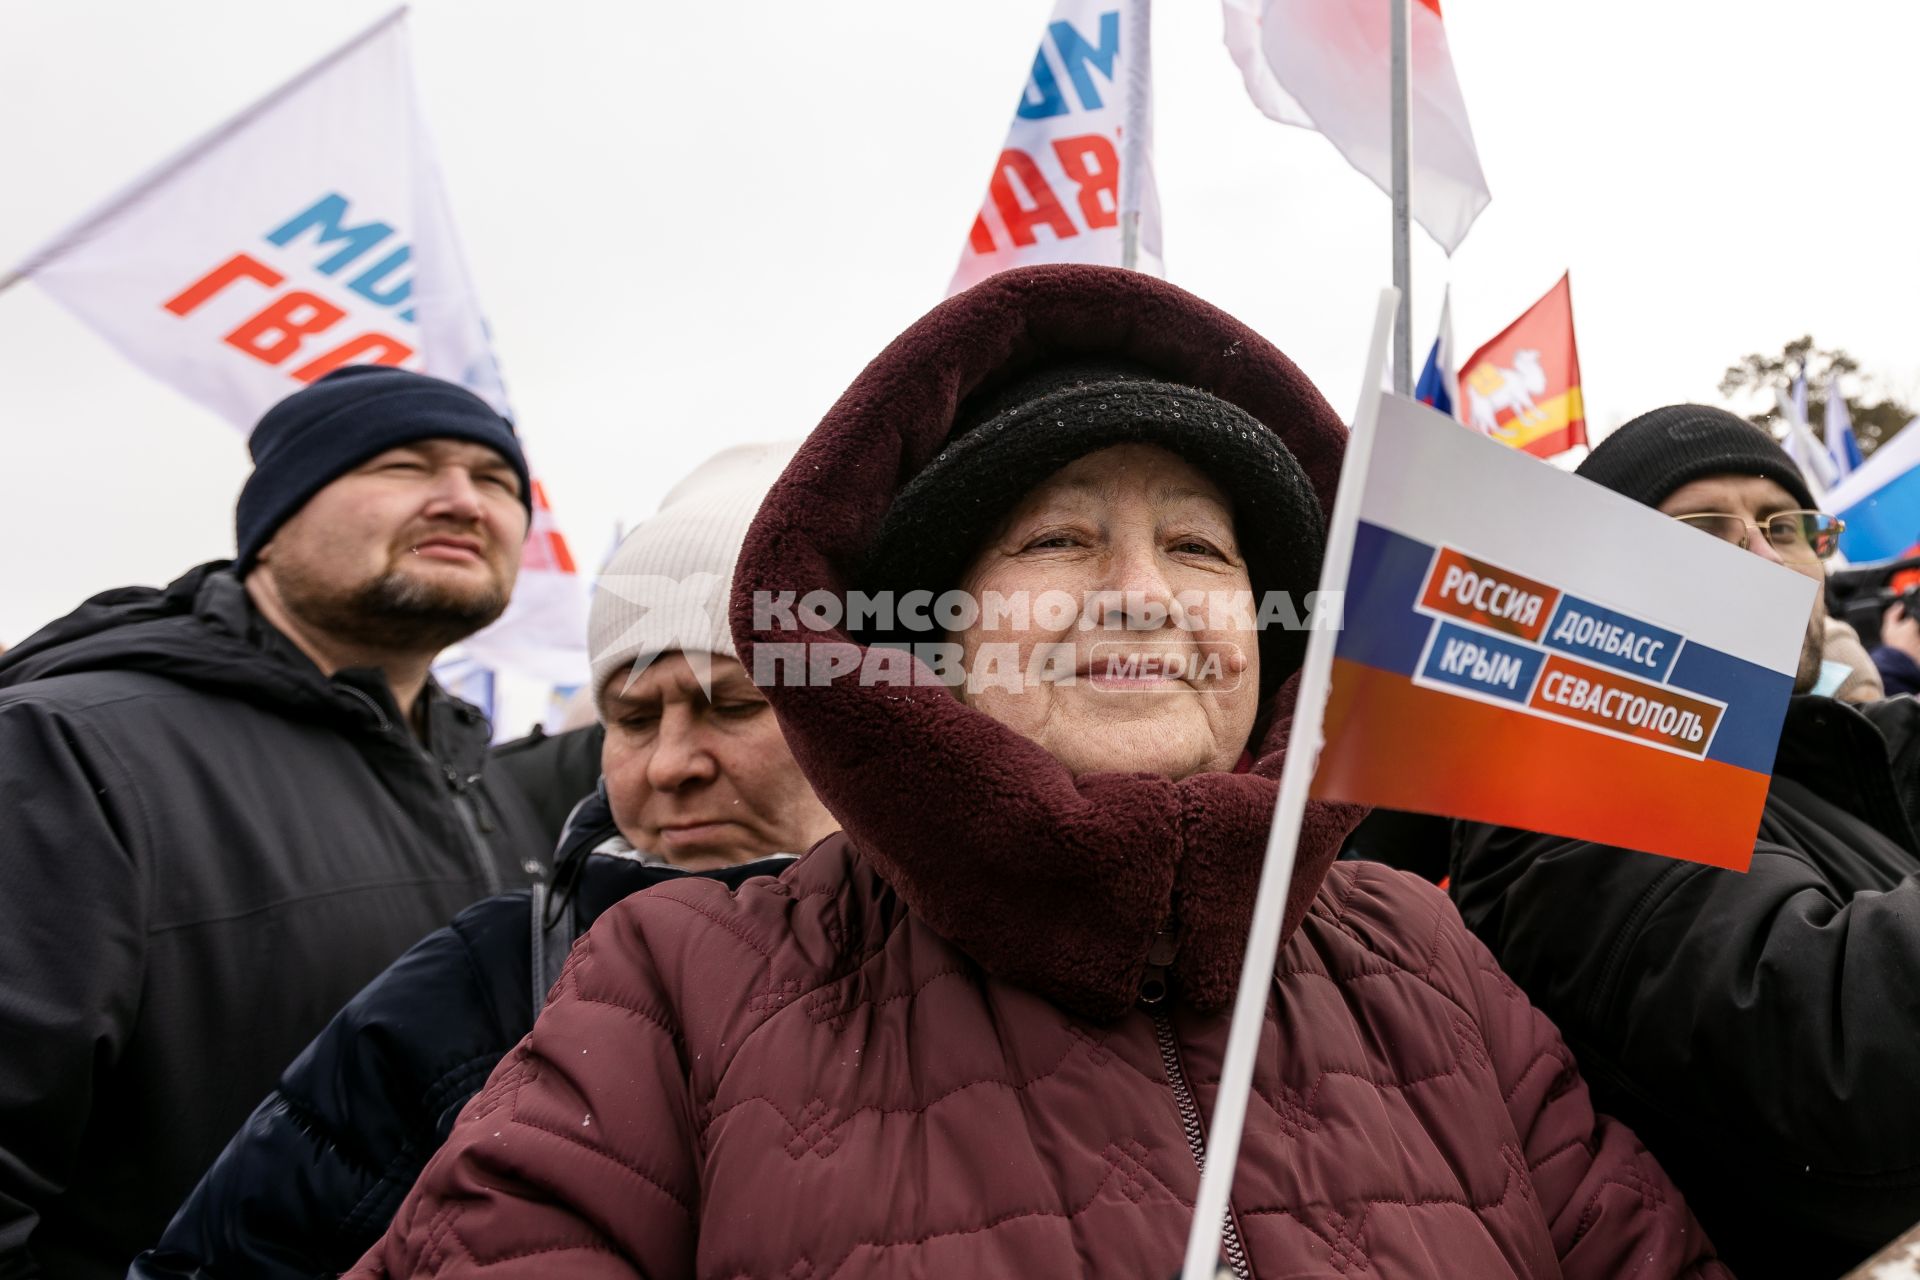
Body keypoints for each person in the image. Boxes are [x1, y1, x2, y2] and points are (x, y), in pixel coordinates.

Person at [352, 266, 1724, 1279]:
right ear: (928, 641)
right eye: (1057, 545)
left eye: (1200, 552)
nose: (1141, 597)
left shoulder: (1427, 951)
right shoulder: (680, 982)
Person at [129, 441, 839, 1279]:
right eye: (633, 718)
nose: (667, 764)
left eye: (733, 704)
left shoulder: (999, 955)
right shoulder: (489, 973)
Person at [0, 366, 551, 1280]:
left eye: (496, 481)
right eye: (405, 465)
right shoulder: (67, 749)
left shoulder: (478, 774)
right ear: (273, 520)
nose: (463, 500)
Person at [1451, 404, 1920, 1279]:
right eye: (1704, 529)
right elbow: (1846, 1061)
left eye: (1788, 526)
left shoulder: (1866, 749)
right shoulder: (1569, 790)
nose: (1762, 557)